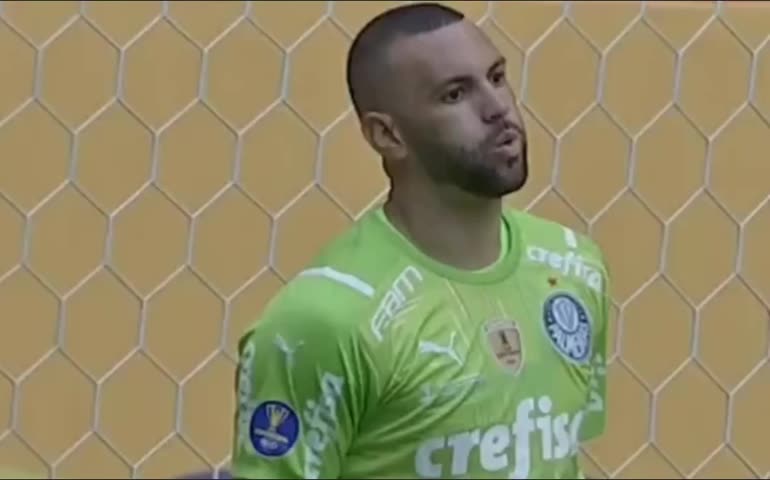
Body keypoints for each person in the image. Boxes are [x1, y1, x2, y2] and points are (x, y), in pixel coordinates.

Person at [232, 3, 610, 479]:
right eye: (455, 94)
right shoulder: (322, 323)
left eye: (496, 77)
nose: (497, 107)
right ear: (387, 135)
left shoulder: (573, 267)